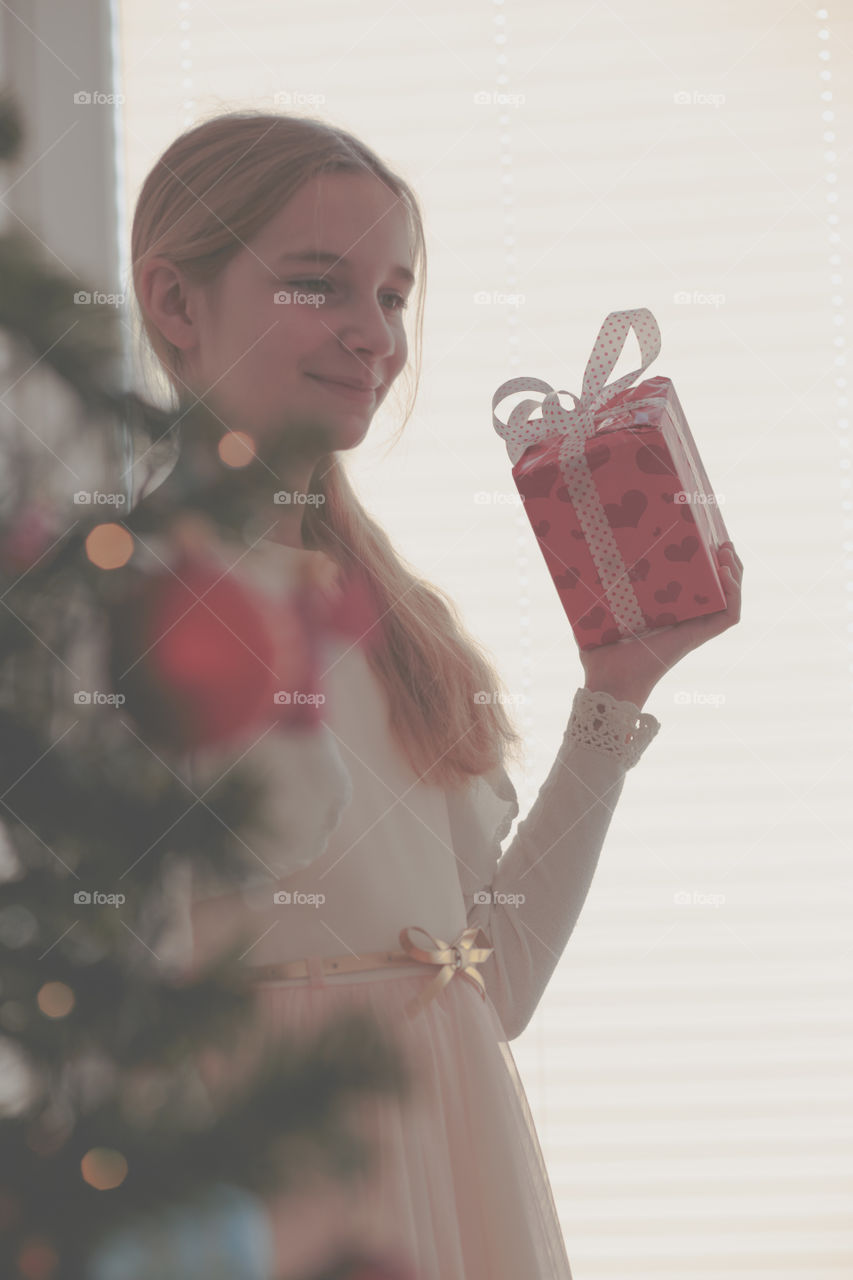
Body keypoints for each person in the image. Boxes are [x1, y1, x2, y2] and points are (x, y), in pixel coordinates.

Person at [129, 109, 744, 1279]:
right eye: (320, 285)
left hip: (461, 1185)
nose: (374, 336)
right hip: (263, 1191)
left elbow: (489, 980)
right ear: (175, 304)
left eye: (394, 295)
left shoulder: (395, 623)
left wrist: (615, 692)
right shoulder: (121, 607)